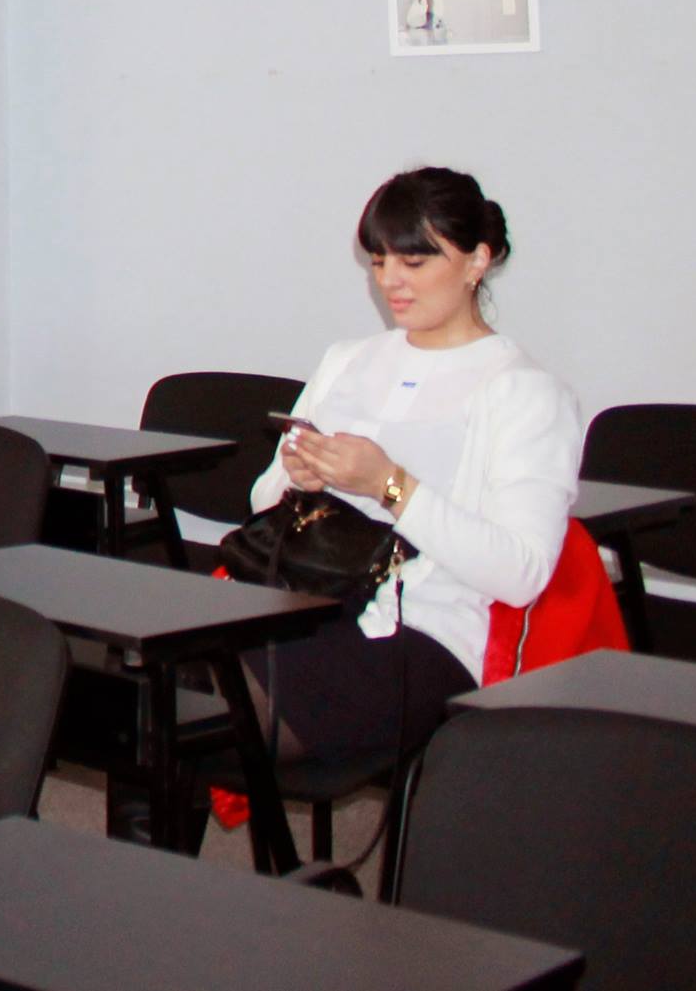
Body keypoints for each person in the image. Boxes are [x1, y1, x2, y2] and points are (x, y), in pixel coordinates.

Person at [248, 166, 579, 766]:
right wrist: (299, 477)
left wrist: (389, 486)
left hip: (422, 634)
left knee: (202, 691)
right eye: (379, 262)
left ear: (477, 261)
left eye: (414, 262)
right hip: (306, 599)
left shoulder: (523, 391)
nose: (389, 281)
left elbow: (521, 573)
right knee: (160, 672)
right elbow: (264, 503)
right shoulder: (346, 360)